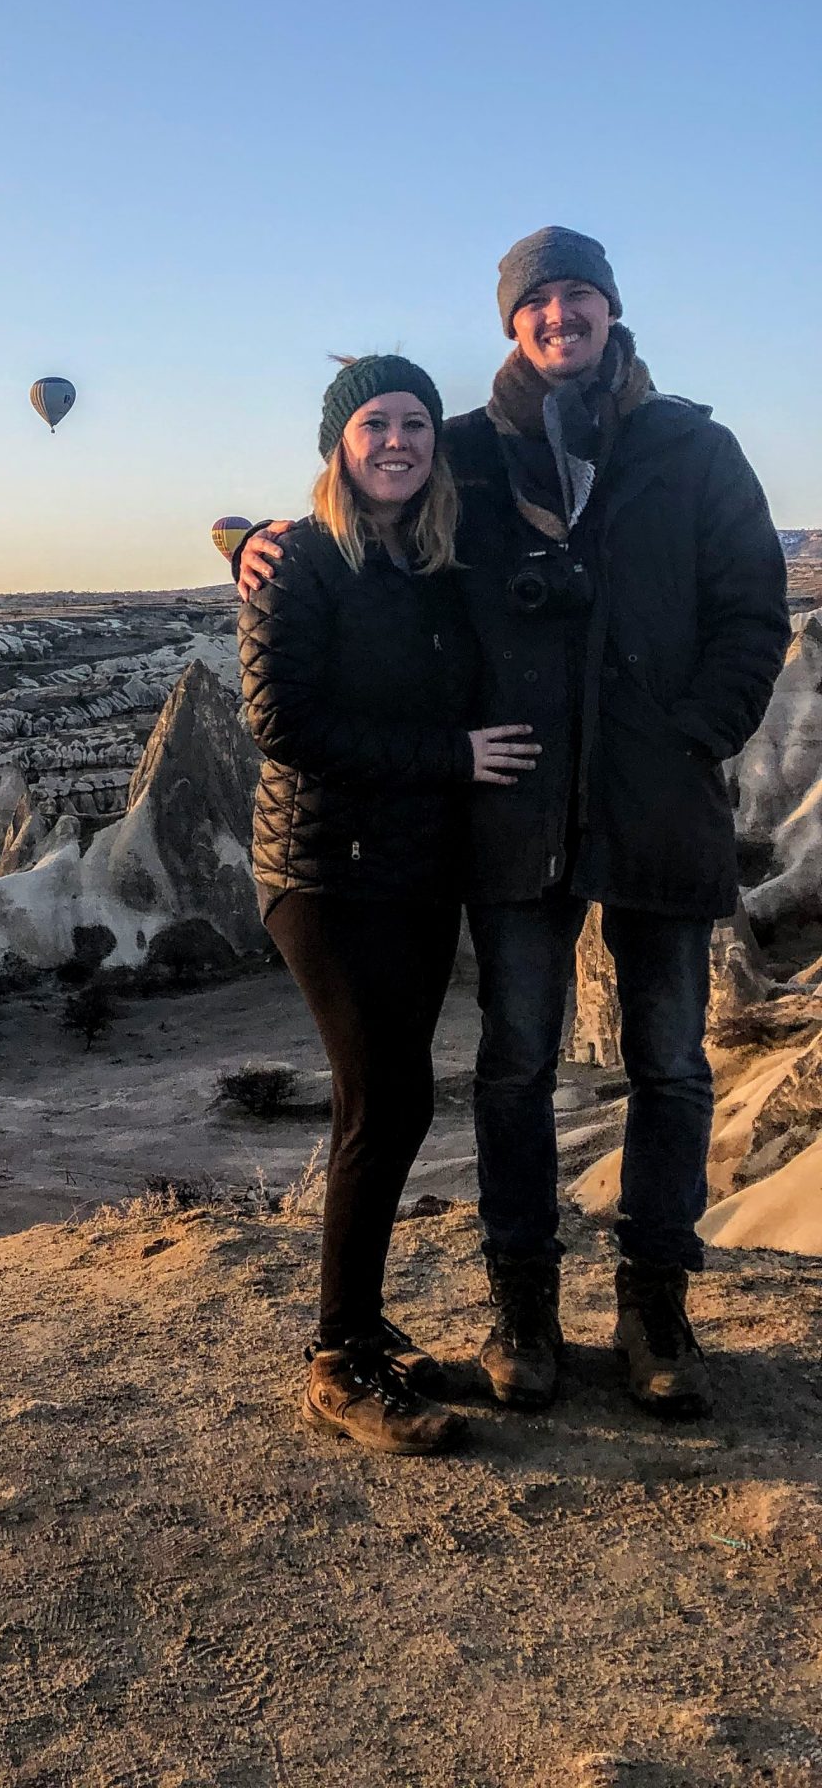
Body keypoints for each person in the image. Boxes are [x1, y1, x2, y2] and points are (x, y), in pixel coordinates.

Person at [237, 231, 788, 1418]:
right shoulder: (468, 455)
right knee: (515, 1067)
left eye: (578, 295)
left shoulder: (691, 447)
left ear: (611, 307)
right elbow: (363, 533)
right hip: (514, 811)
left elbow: (756, 605)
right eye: (535, 302)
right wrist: (257, 544)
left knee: (673, 1068)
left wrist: (700, 728)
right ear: (511, 325)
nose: (559, 316)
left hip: (656, 805)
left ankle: (656, 1314)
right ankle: (522, 1312)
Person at [239, 355, 538, 1455]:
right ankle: (337, 1361)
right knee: (382, 1099)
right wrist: (453, 755)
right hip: (322, 872)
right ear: (339, 444)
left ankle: (357, 1324)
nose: (399, 440)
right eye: (375, 423)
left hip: (414, 869)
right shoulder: (299, 560)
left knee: (400, 1100)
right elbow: (285, 723)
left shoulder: (436, 556)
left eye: (416, 421)